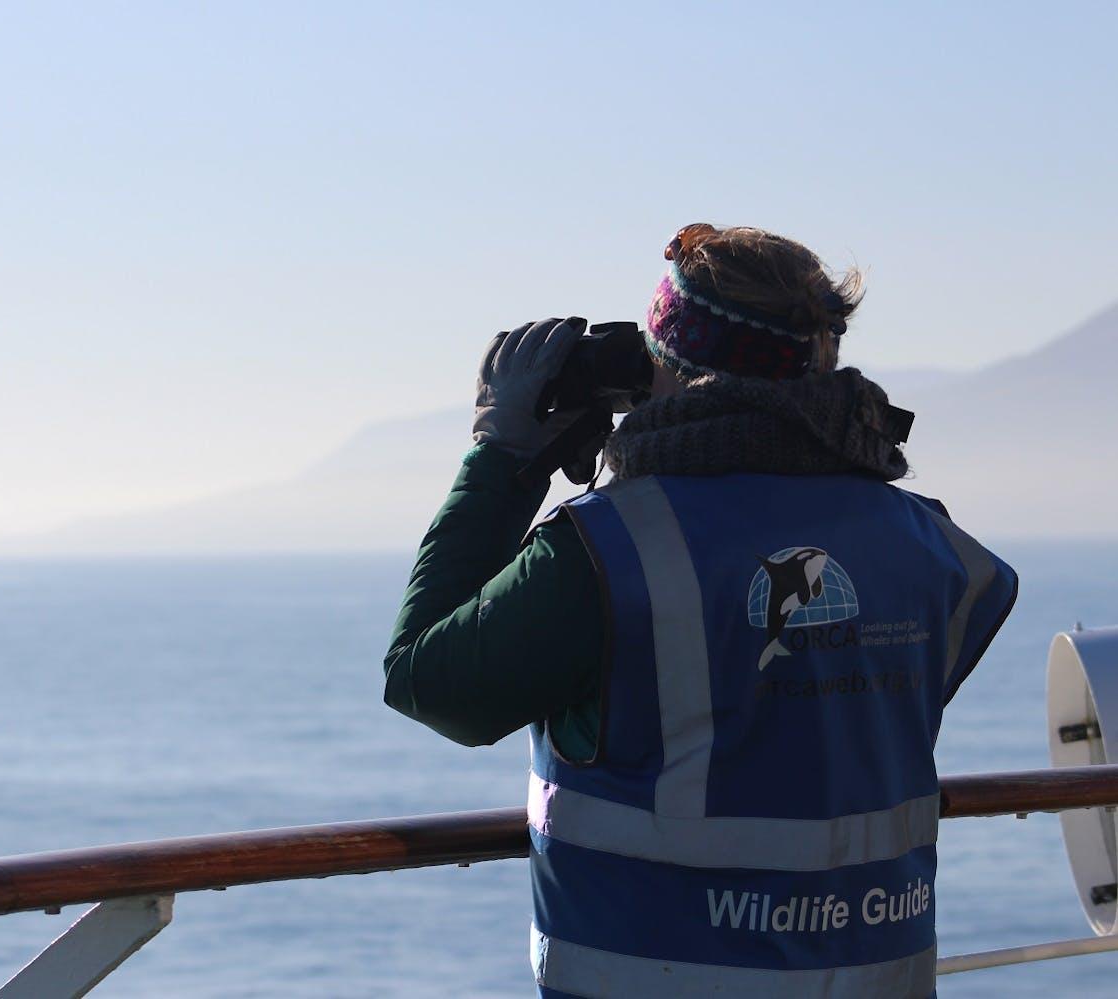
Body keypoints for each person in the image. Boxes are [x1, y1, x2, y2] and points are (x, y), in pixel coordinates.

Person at [382, 224, 1018, 998]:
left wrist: (501, 457)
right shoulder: (931, 547)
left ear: (672, 367)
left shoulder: (607, 549)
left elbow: (430, 682)